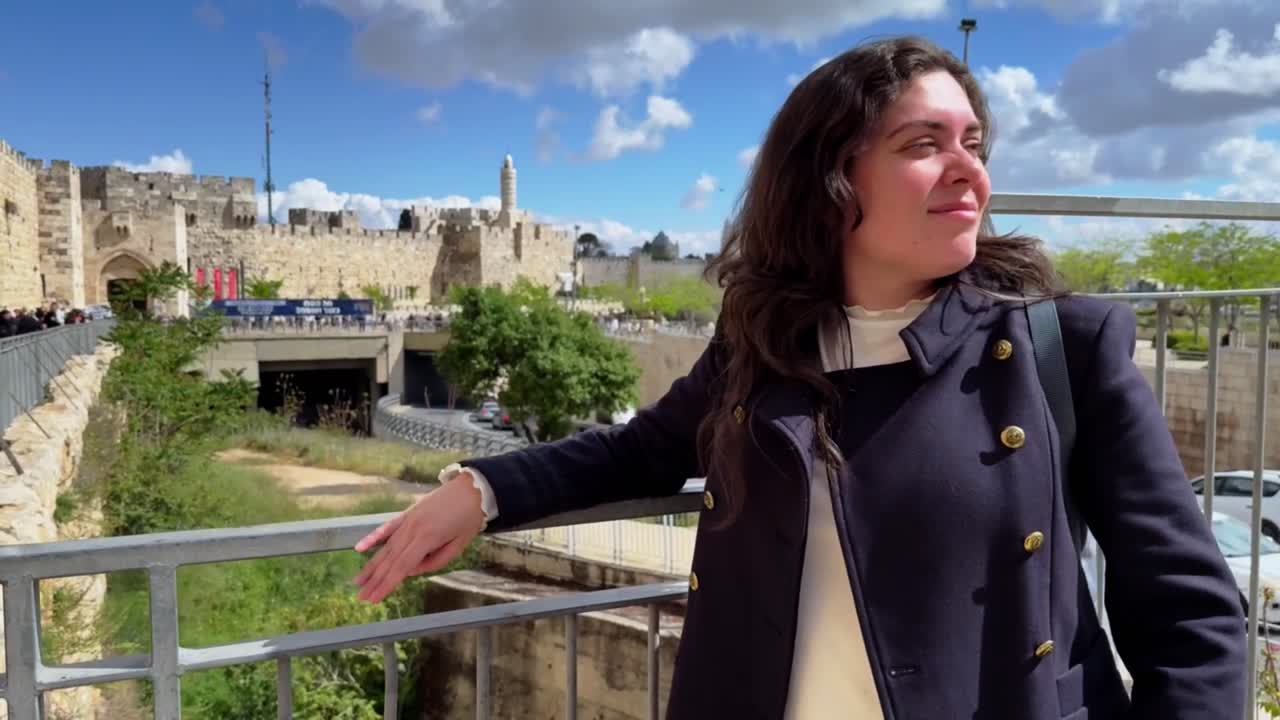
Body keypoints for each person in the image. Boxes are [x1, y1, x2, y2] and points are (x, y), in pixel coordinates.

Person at [353, 36, 1244, 718]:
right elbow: (644, 450)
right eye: (924, 143)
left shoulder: (1061, 346)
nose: (970, 169)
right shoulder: (766, 343)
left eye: (973, 141)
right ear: (831, 178)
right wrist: (480, 488)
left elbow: (1190, 614)